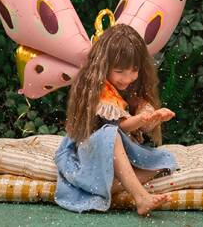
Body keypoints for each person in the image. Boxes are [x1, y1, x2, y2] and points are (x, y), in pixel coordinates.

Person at [54, 24, 177, 216]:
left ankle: (105, 187)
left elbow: (140, 122)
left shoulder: (131, 87)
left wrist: (154, 118)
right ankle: (141, 197)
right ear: (104, 65)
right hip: (91, 148)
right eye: (120, 71)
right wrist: (140, 119)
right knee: (111, 134)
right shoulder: (99, 89)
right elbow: (121, 126)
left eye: (133, 70)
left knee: (165, 161)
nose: (127, 78)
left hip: (120, 155)